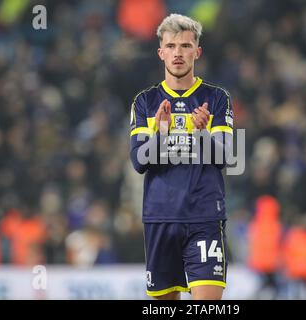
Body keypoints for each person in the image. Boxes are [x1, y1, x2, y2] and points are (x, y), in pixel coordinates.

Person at [129, 14, 234, 300]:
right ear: (161, 52)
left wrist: (201, 133)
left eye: (186, 46)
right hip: (160, 217)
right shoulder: (145, 102)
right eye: (171, 46)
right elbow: (139, 162)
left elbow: (226, 156)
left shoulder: (217, 98)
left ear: (197, 52)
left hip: (204, 217)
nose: (178, 53)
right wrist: (160, 135)